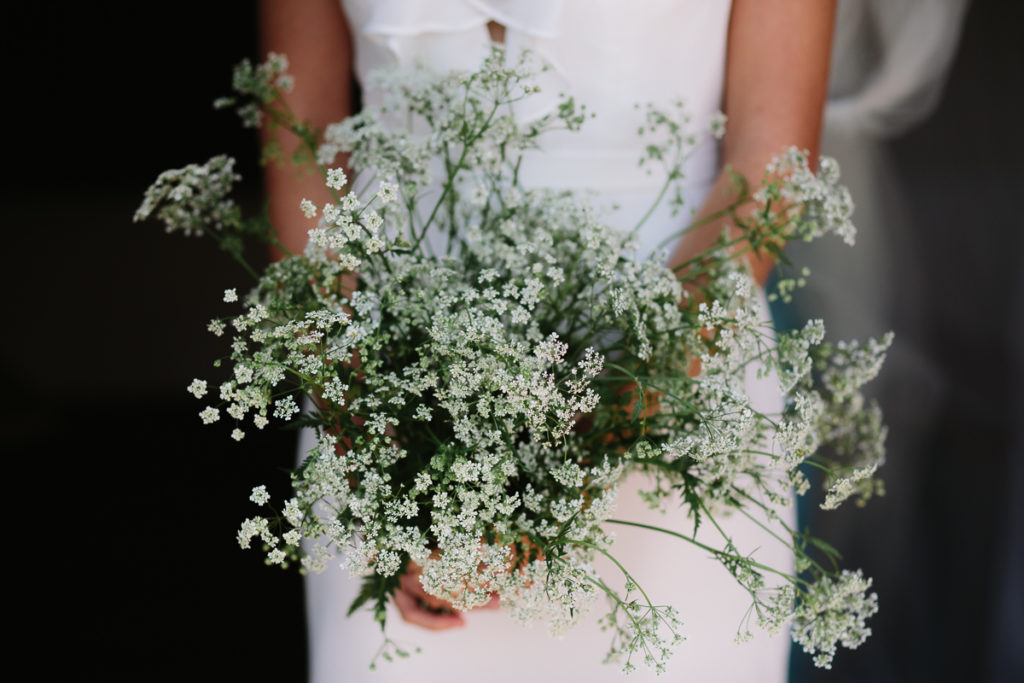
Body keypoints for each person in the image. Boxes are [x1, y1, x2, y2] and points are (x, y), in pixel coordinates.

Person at [260, 1, 835, 681]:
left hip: (679, 385)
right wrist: (377, 456)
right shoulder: (374, 445)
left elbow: (770, 161)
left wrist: (612, 424)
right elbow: (299, 148)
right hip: (385, 401)